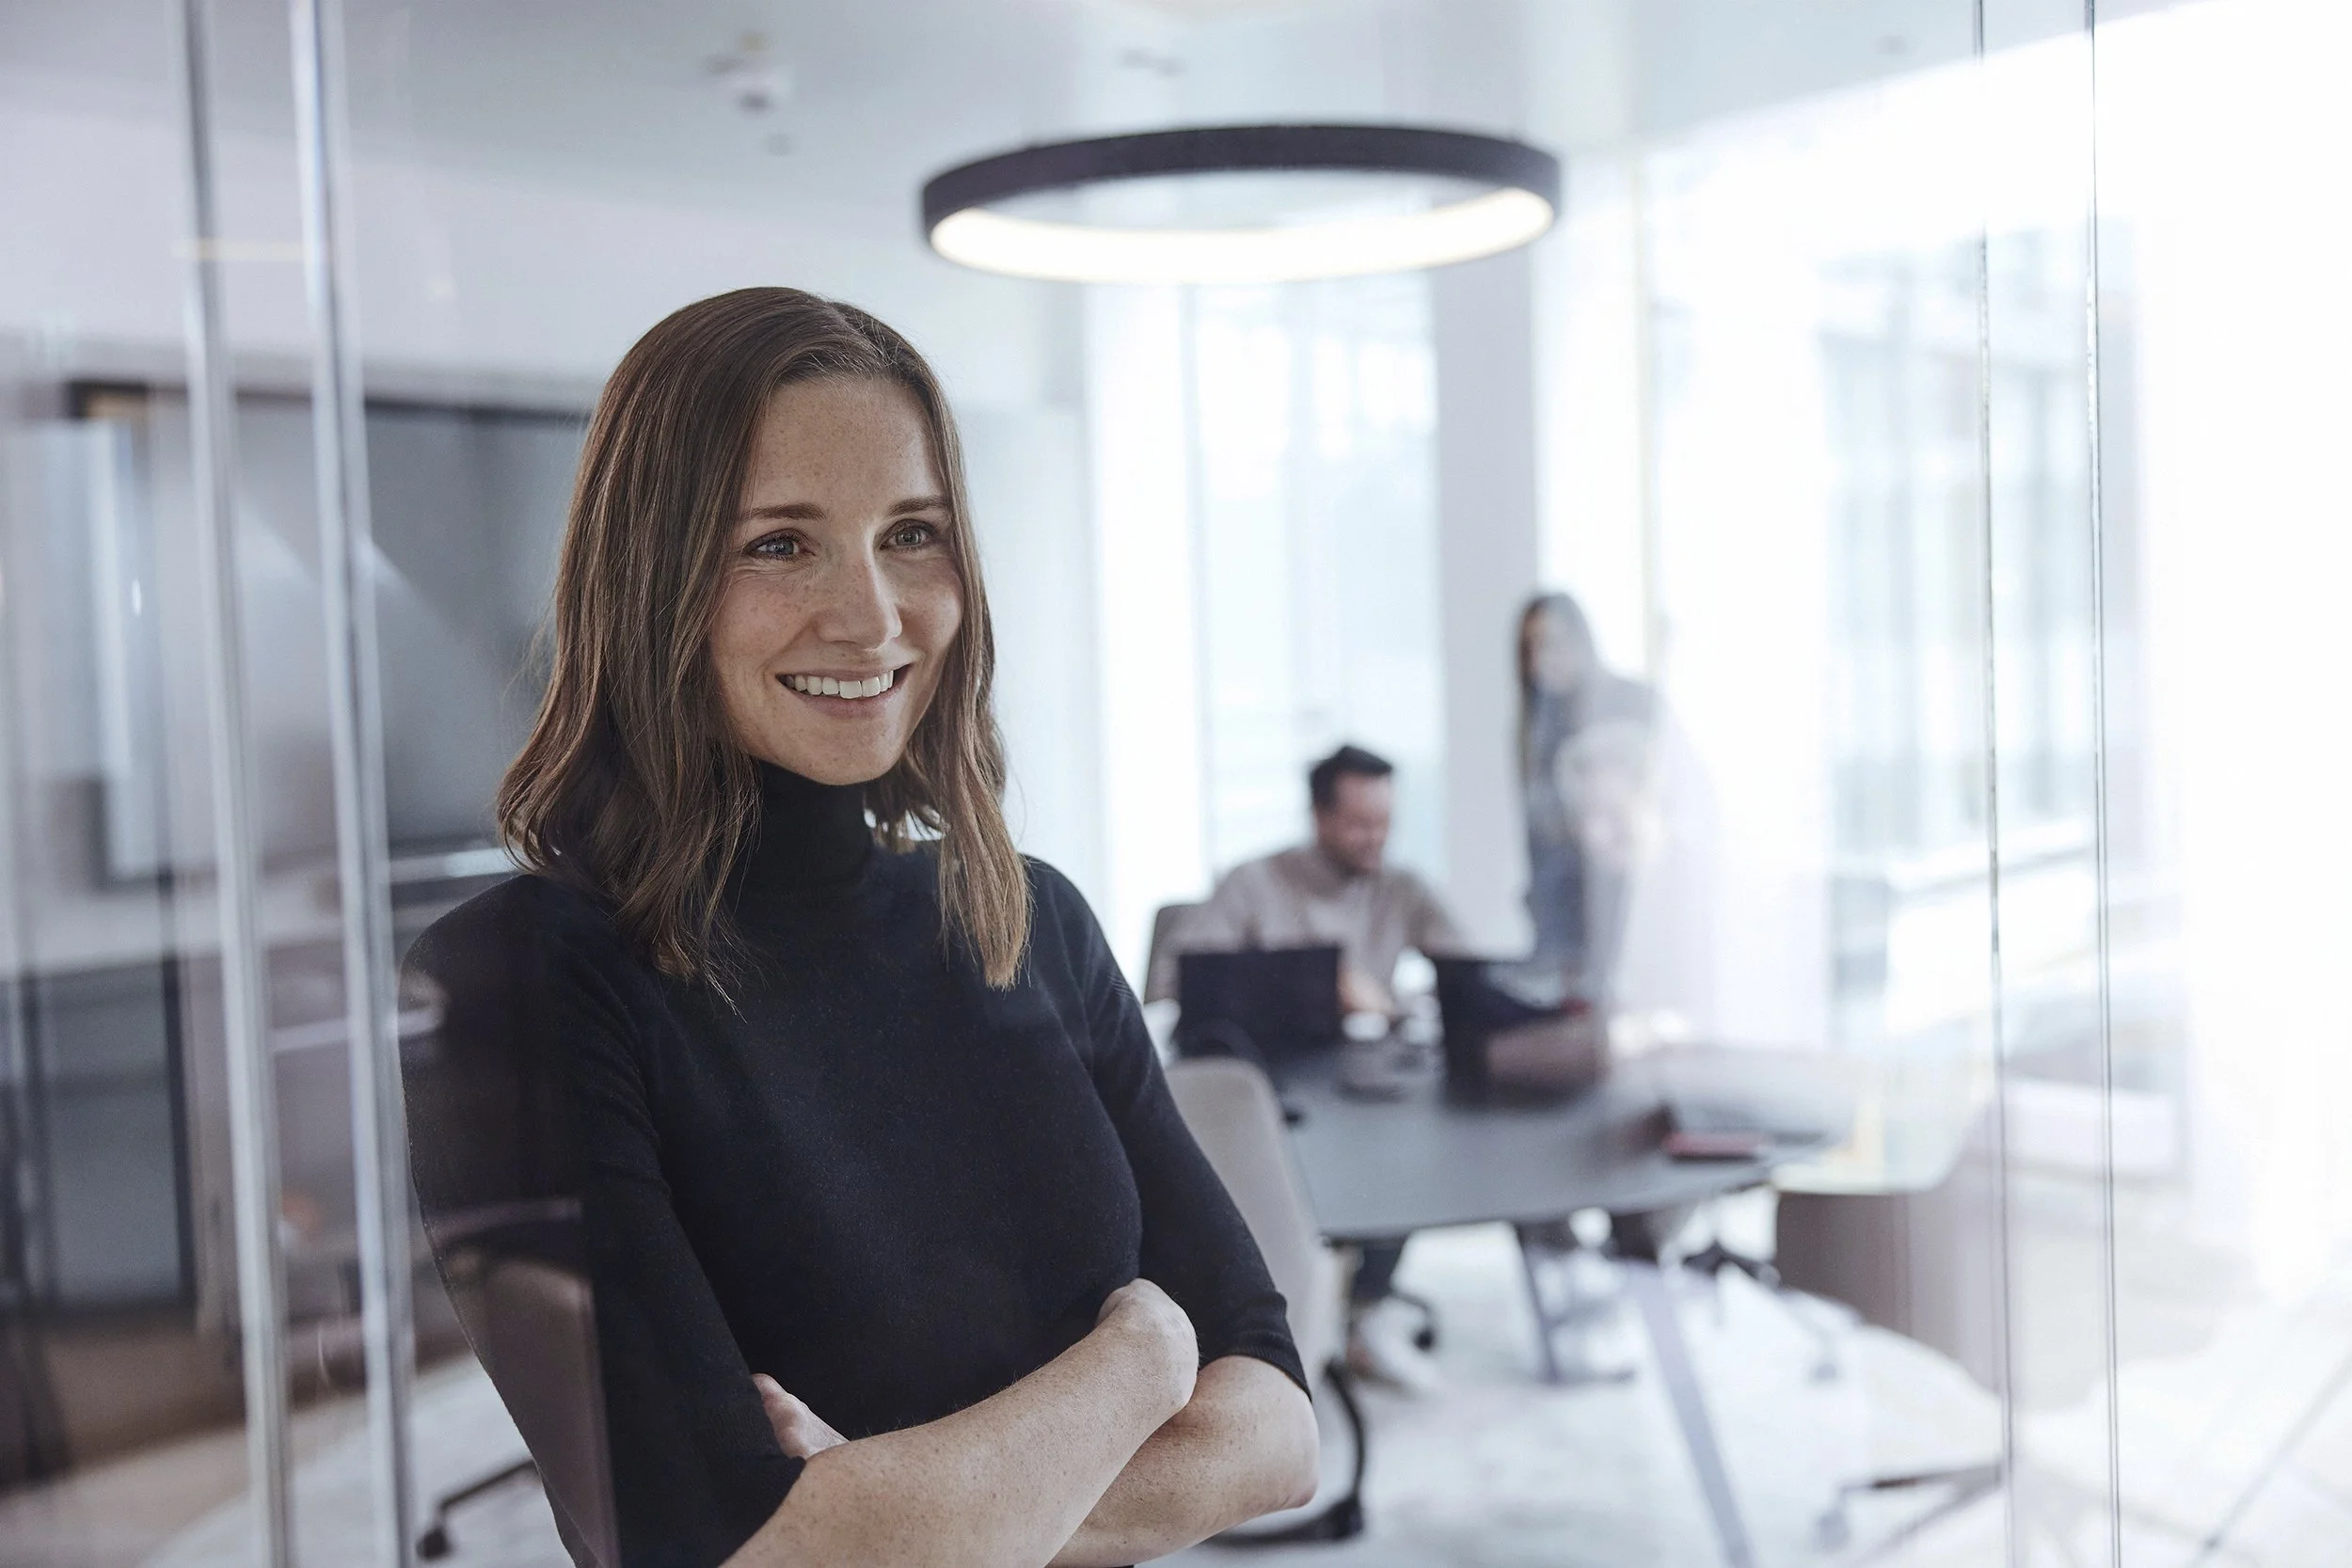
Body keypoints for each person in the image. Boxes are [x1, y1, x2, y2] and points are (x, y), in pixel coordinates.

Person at [405, 289, 1317, 1568]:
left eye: (912, 533)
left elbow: (1278, 1427)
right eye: (780, 543)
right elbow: (718, 1550)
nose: (874, 614)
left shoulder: (1029, 918)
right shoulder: (523, 978)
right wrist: (1143, 1357)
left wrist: (903, 1516)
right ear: (653, 576)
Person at [1168, 744, 1465, 1393]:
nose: (1374, 839)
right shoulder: (1255, 882)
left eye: (1384, 823)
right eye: (1359, 824)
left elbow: (1468, 970)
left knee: (1413, 1128)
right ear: (1320, 816)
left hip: (1364, 1077)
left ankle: (1370, 1311)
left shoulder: (1400, 886)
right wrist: (1321, 981)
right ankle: (1291, 1317)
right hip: (1273, 1079)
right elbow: (1184, 980)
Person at [1517, 592, 1655, 1005]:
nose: (1546, 658)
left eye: (1556, 641)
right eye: (1532, 648)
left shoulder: (1635, 705)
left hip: (1627, 894)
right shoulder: (1534, 731)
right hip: (1565, 916)